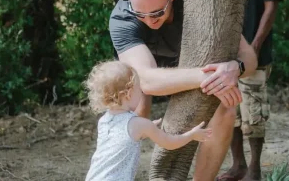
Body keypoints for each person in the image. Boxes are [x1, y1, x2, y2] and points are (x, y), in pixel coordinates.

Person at [109, 0, 258, 180]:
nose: (149, 21)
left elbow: (250, 58)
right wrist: (207, 77)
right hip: (147, 71)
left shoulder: (197, 5)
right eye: (140, 14)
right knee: (132, 114)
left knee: (226, 105)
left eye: (157, 12)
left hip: (190, 62)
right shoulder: (122, 18)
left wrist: (236, 67)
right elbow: (146, 81)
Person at [85, 61, 213, 181]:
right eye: (139, 89)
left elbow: (121, 138)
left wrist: (146, 129)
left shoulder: (104, 120)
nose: (141, 93)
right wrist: (191, 135)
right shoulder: (139, 124)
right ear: (129, 93)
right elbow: (169, 143)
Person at [217, 0, 283, 181]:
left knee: (253, 113)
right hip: (225, 54)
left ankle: (254, 169)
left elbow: (271, 6)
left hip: (257, 55)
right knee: (230, 111)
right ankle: (239, 165)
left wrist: (254, 47)